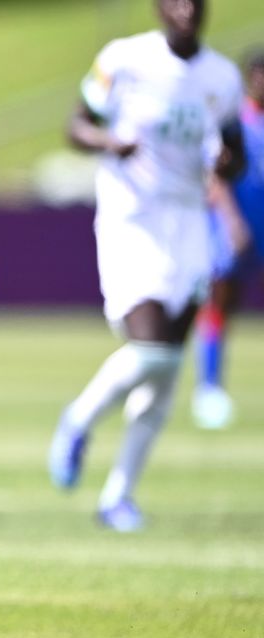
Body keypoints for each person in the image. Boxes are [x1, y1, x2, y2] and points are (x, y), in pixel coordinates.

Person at [48, 0, 243, 532]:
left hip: (188, 223)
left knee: (166, 369)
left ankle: (118, 496)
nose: (186, 9)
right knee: (152, 351)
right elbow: (75, 125)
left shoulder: (221, 77)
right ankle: (79, 418)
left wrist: (227, 162)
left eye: (195, 1)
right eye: (176, 0)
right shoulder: (125, 59)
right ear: (159, 8)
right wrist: (109, 141)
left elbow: (235, 149)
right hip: (132, 217)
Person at [192, 49, 264, 429]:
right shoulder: (234, 121)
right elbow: (215, 175)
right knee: (222, 302)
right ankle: (209, 390)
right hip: (235, 228)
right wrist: (232, 222)